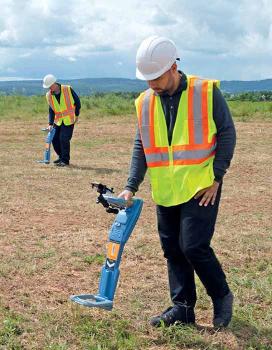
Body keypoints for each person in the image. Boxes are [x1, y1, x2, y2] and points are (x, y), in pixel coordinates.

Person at [118, 36, 236, 328]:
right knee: (172, 249)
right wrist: (131, 185)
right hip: (166, 189)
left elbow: (227, 133)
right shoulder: (145, 101)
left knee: (193, 246)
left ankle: (221, 296)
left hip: (200, 186)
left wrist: (217, 177)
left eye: (156, 77)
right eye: (147, 79)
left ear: (173, 66)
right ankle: (183, 307)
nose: (151, 85)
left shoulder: (205, 92)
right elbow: (140, 145)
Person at [42, 74, 81, 167]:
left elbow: (77, 102)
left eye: (50, 86)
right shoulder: (49, 95)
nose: (49, 89)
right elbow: (51, 109)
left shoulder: (67, 89)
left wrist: (76, 115)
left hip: (69, 119)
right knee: (55, 139)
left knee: (64, 139)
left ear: (54, 83)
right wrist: (50, 123)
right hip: (58, 120)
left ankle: (65, 160)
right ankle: (61, 157)